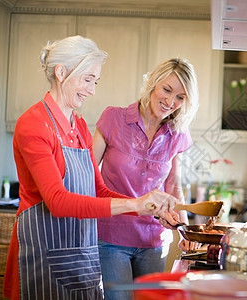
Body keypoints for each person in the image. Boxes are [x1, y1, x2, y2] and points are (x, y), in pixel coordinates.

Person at [3, 35, 180, 300]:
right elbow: (58, 202)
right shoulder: (34, 124)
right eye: (87, 79)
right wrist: (135, 205)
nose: (92, 90)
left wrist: (148, 206)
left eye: (95, 81)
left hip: (78, 255)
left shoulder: (79, 126)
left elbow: (98, 190)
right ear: (61, 72)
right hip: (42, 255)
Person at [92, 57, 200, 299]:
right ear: (152, 82)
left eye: (180, 97)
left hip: (153, 240)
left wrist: (184, 231)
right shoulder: (113, 119)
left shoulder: (177, 134)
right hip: (110, 237)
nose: (171, 101)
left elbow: (174, 185)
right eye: (167, 89)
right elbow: (89, 176)